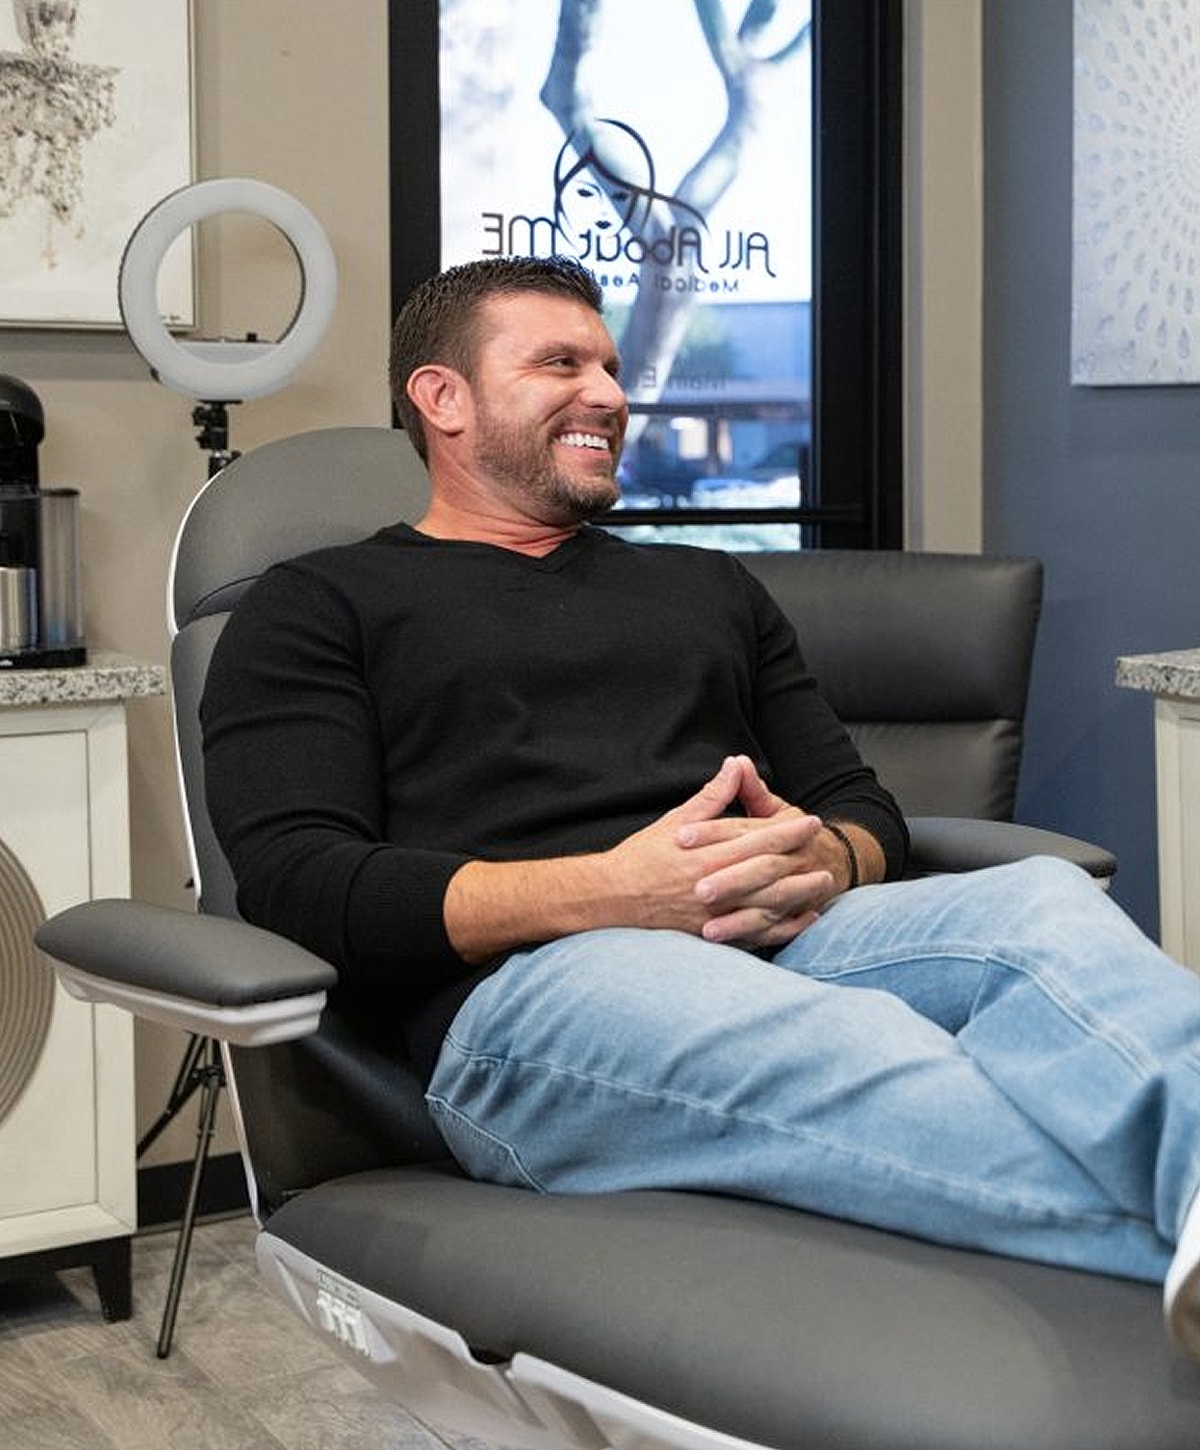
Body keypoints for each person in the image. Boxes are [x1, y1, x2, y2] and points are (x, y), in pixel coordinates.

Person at [202, 254, 1200, 1363]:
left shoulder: (706, 585)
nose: (610, 394)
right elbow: (300, 880)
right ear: (442, 398)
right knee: (859, 1045)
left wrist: (824, 859)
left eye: (611, 367)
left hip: (785, 931)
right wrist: (619, 892)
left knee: (1040, 901)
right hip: (538, 990)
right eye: (561, 364)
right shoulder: (318, 605)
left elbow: (860, 804)